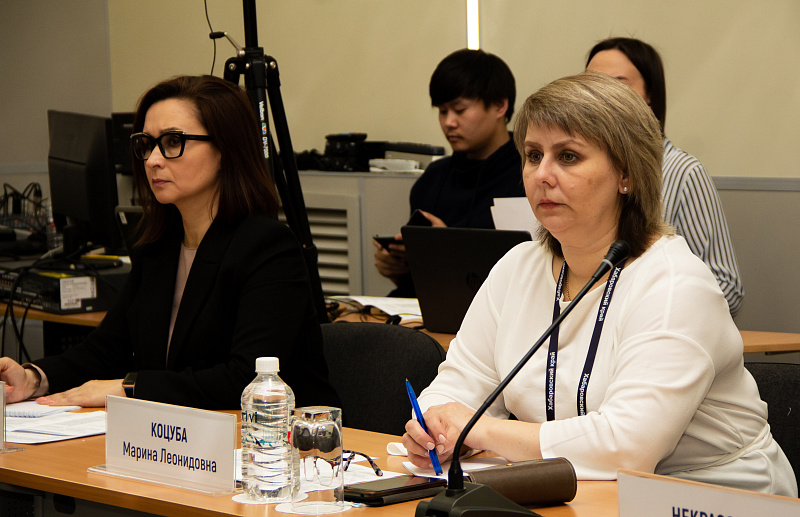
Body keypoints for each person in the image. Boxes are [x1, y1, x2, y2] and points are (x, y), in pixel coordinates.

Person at [402, 72, 796, 496]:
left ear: (626, 174)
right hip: (577, 490)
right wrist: (433, 429)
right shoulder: (517, 267)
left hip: (712, 495)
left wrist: (477, 431)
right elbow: (459, 384)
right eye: (533, 155)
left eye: (568, 156)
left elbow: (626, 446)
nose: (541, 174)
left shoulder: (675, 284)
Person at [0, 75, 340, 411]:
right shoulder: (158, 247)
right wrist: (33, 377)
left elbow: (244, 379)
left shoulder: (267, 247)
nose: (152, 160)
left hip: (279, 438)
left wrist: (129, 387)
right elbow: (106, 349)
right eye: (146, 144)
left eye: (173, 142)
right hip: (177, 434)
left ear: (225, 149)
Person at [586, 37, 744, 318]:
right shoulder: (577, 173)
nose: (602, 96)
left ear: (649, 95)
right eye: (592, 84)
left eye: (618, 84)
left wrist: (654, 309)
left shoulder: (683, 171)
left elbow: (726, 286)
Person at [374, 48, 525, 297]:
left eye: (460, 110)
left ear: (500, 106)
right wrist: (397, 269)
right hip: (429, 307)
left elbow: (530, 275)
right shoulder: (433, 179)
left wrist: (447, 249)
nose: (448, 122)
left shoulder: (529, 174)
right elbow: (423, 283)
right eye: (442, 111)